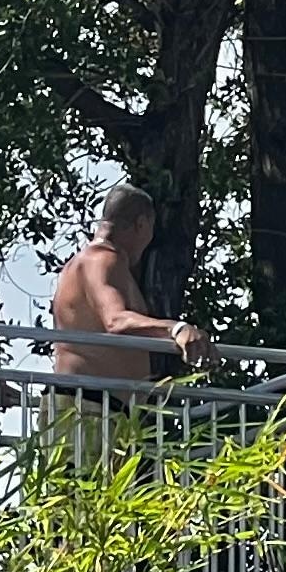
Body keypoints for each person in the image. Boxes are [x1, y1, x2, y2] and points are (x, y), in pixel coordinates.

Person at [47, 185, 207, 457]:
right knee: (82, 485)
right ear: (142, 224)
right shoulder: (102, 259)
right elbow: (115, 320)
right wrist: (176, 329)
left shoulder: (89, 261)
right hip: (87, 408)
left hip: (98, 407)